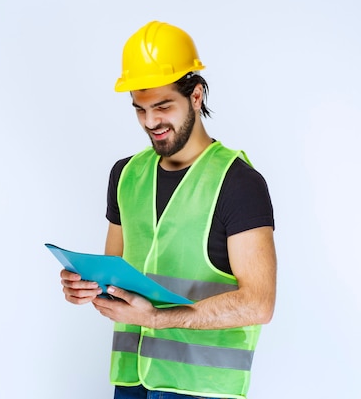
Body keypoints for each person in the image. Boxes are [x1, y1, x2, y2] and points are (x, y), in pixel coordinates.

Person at [60, 20, 277, 399]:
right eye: (140, 109)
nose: (151, 122)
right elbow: (116, 274)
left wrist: (156, 319)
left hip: (203, 390)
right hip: (131, 383)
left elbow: (259, 303)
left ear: (195, 95)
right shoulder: (126, 174)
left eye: (163, 107)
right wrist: (86, 285)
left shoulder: (239, 183)